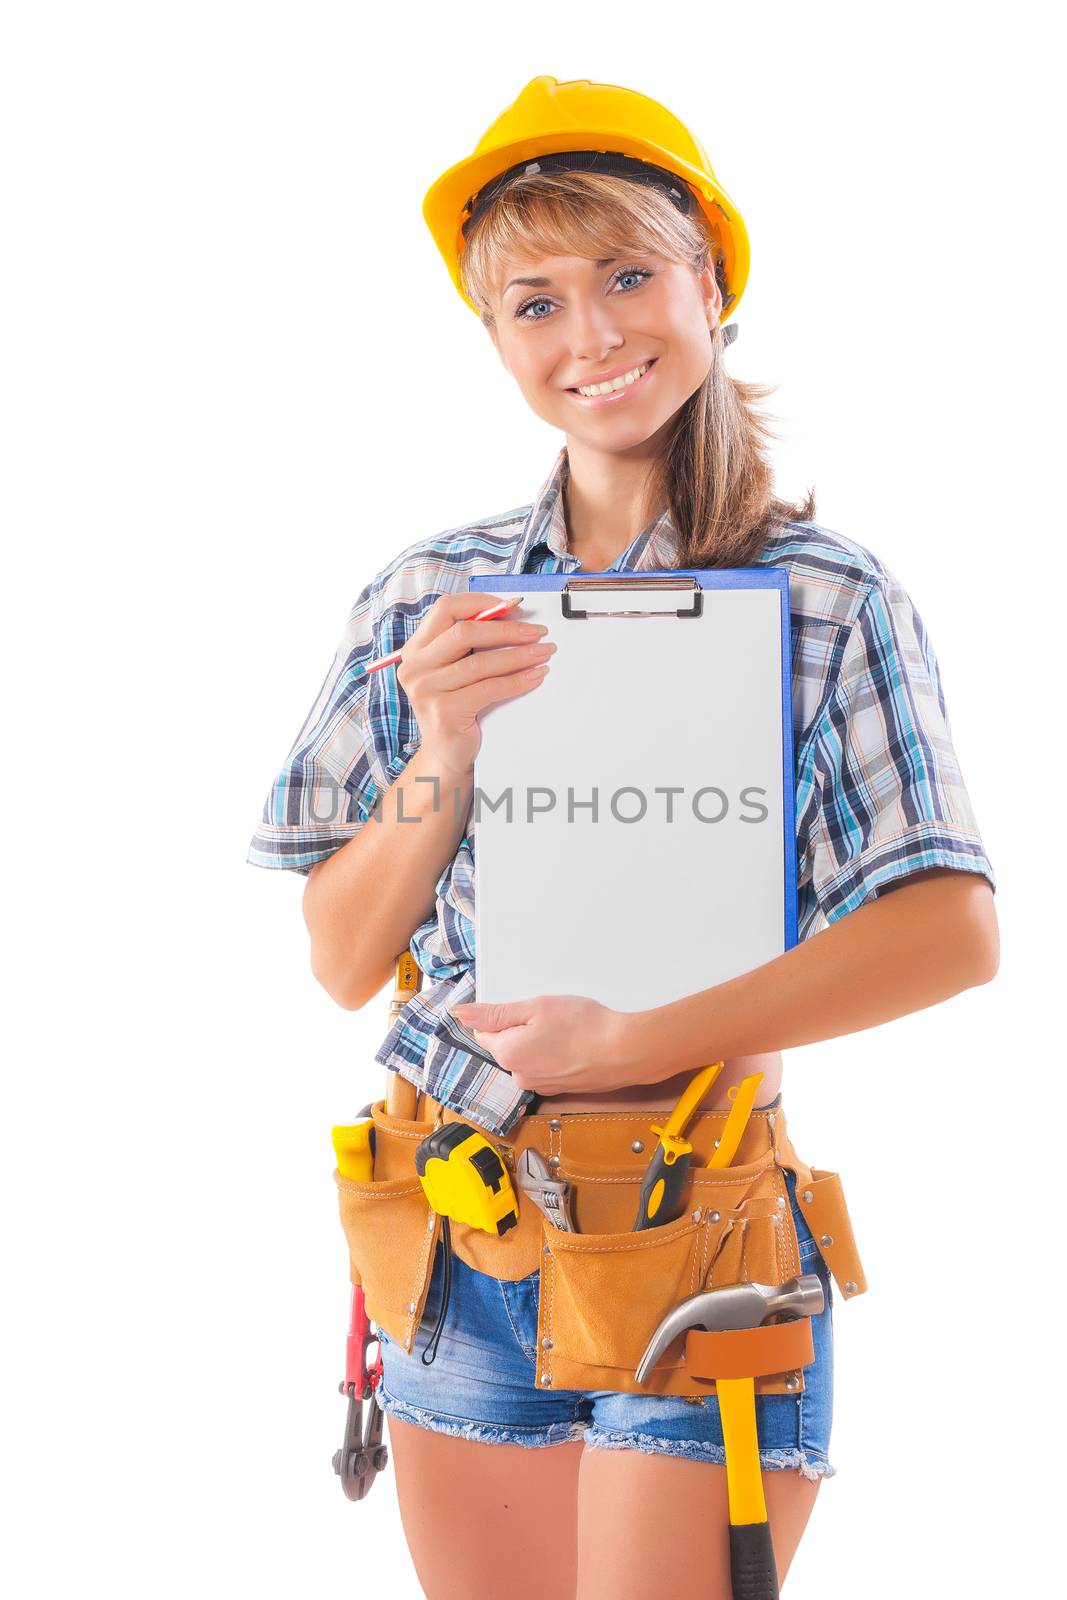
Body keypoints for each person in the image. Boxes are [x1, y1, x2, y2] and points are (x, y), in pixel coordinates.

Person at [248, 76, 999, 1599]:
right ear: (494, 336)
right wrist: (444, 752)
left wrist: (640, 1031)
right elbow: (341, 961)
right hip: (462, 1240)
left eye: (631, 276)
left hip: (702, 1231)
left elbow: (950, 933)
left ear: (712, 284)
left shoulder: (828, 597)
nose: (590, 336)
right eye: (536, 301)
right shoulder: (427, 599)